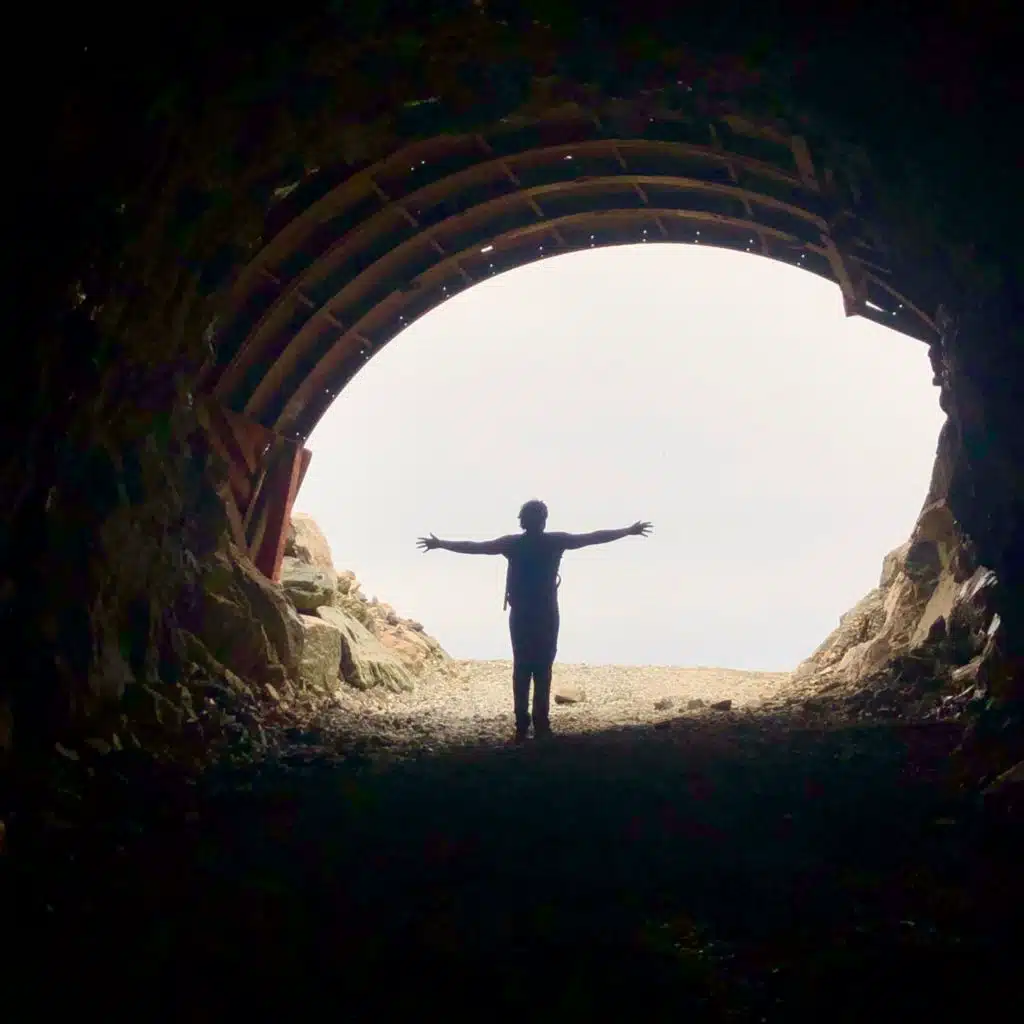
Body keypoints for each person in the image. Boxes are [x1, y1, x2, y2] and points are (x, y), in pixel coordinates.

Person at [417, 500, 653, 742]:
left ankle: (522, 725)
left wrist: (441, 544)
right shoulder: (554, 541)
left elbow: (476, 547)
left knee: (522, 667)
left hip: (522, 613)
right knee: (543, 667)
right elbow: (593, 537)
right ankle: (541, 725)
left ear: (523, 520)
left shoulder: (514, 544)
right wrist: (628, 531)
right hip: (546, 612)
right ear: (544, 520)